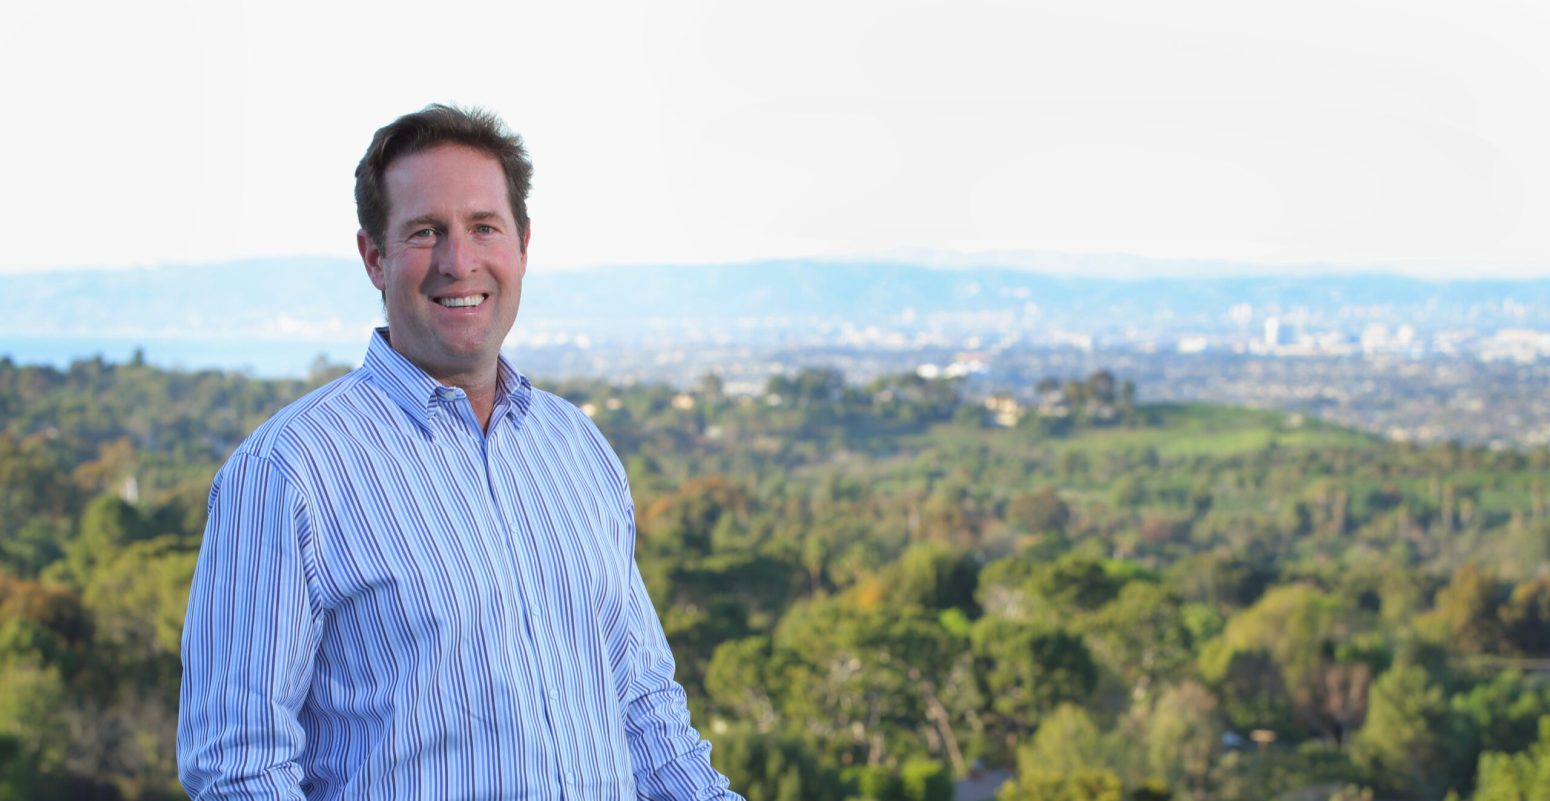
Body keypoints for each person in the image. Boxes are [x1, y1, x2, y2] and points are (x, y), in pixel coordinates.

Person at [178, 104, 742, 800]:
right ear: (374, 258)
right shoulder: (288, 473)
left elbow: (647, 715)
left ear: (522, 245)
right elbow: (237, 767)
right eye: (425, 232)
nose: (458, 261)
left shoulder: (577, 449)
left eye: (483, 227)